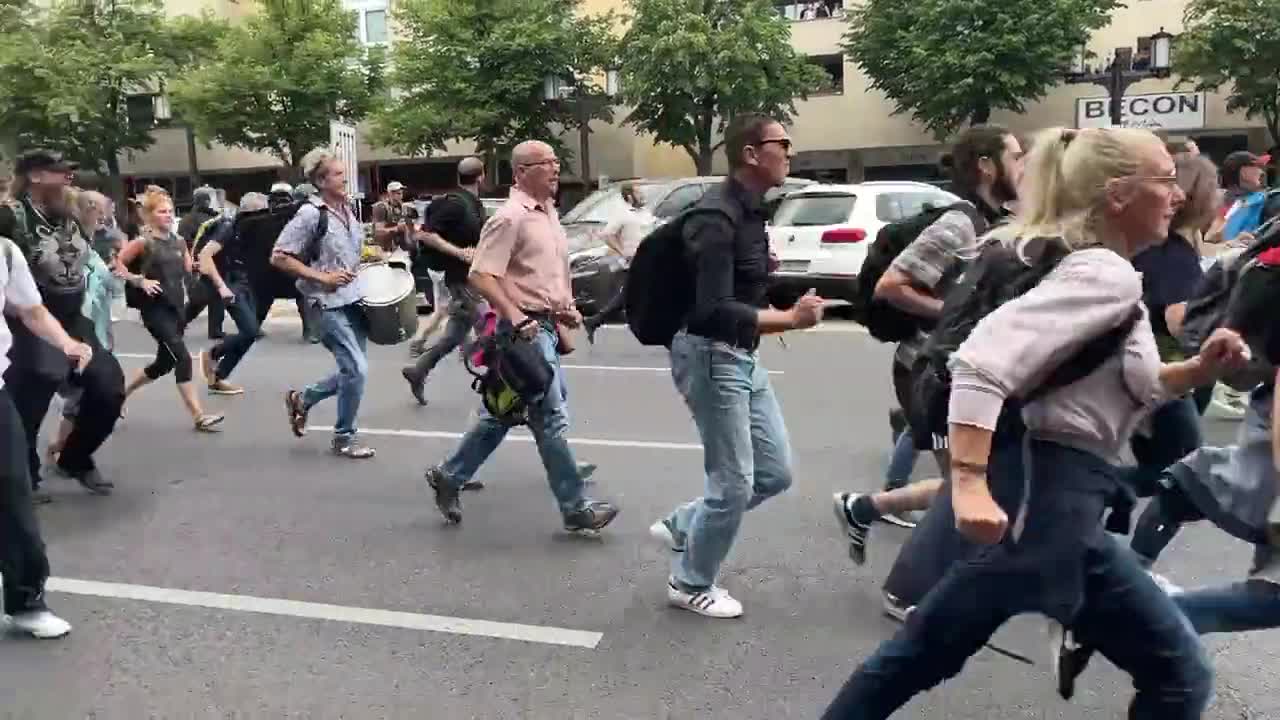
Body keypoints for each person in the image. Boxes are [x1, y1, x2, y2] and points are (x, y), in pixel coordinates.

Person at [818, 126, 1254, 720]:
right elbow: (981, 363)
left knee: (914, 659)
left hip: (1058, 512)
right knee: (1176, 671)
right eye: (1166, 181)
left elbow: (1142, 385)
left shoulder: (1104, 270)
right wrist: (967, 483)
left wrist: (1201, 367)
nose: (1178, 195)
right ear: (1120, 195)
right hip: (1044, 512)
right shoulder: (1104, 272)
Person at [647, 114, 824, 619]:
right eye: (782, 143)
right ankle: (689, 581)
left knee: (775, 472)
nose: (790, 152)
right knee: (734, 483)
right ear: (751, 153)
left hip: (741, 354)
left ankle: (686, 525)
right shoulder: (715, 218)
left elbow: (745, 286)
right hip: (710, 353)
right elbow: (710, 310)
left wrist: (785, 300)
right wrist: (790, 320)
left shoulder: (750, 212)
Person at [831, 126, 1023, 588]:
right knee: (966, 487)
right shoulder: (960, 224)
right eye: (1015, 156)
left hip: (961, 372)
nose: (1023, 165)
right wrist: (960, 313)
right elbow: (891, 287)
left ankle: (863, 509)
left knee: (976, 481)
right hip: (929, 370)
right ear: (986, 165)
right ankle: (910, 590)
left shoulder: (996, 219)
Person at [423, 140, 619, 533]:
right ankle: (575, 508)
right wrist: (515, 315)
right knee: (550, 418)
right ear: (522, 172)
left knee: (504, 414)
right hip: (524, 331)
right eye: (546, 163)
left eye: (555, 162)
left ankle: (450, 475)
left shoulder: (548, 214)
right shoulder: (510, 217)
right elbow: (481, 274)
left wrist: (566, 307)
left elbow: (543, 273)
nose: (555, 169)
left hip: (546, 324)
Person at [0, 150, 124, 499]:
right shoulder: (10, 216)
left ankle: (75, 458)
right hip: (30, 319)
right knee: (31, 396)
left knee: (109, 387)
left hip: (73, 318)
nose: (69, 176)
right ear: (35, 176)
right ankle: (24, 477)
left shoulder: (67, 211)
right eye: (60, 172)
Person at [0, 230, 90, 638]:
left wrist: (67, 342)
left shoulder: (4, 252)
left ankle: (26, 602)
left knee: (13, 491)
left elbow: (31, 310)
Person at [274, 148, 375, 459]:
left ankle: (302, 400)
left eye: (343, 172)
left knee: (351, 371)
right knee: (357, 370)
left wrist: (373, 256)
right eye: (337, 173)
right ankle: (344, 437)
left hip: (355, 299)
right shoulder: (310, 214)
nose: (345, 177)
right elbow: (279, 256)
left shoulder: (349, 209)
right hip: (324, 303)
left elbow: (349, 253)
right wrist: (322, 278)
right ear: (320, 180)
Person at [117, 187, 224, 432]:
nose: (167, 215)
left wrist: (203, 268)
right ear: (150, 215)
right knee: (182, 358)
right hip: (155, 312)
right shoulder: (143, 242)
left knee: (163, 363)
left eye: (170, 211)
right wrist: (139, 280)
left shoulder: (178, 241)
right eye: (162, 211)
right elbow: (118, 264)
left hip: (176, 309)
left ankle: (119, 395)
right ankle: (199, 415)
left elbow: (188, 267)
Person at [401, 157, 487, 404]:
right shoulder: (455, 204)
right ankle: (501, 383)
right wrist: (458, 253)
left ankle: (419, 371)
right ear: (481, 176)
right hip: (460, 280)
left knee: (454, 335)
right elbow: (425, 234)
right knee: (491, 327)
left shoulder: (473, 205)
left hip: (471, 278)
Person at [194, 192, 271, 396]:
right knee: (250, 331)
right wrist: (221, 287)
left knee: (250, 335)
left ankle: (218, 377)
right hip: (229, 282)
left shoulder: (250, 230)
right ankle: (213, 354)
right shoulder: (228, 227)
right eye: (262, 212)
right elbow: (205, 255)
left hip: (247, 283)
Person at [582, 182, 654, 344]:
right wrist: (622, 251)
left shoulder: (645, 212)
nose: (642, 195)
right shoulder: (623, 214)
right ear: (629, 197)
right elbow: (607, 235)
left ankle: (594, 321)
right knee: (633, 295)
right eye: (638, 193)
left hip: (647, 258)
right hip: (634, 260)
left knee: (628, 296)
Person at [179, 186, 225, 340]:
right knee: (211, 296)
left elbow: (183, 243)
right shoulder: (213, 219)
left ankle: (179, 323)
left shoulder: (185, 220)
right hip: (209, 262)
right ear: (207, 201)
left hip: (192, 263)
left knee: (201, 298)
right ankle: (214, 329)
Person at [372, 180, 409, 252]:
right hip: (385, 248)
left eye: (401, 193)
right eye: (398, 193)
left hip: (400, 248)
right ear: (390, 194)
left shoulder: (401, 206)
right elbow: (378, 231)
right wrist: (398, 228)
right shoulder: (381, 207)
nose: (401, 196)